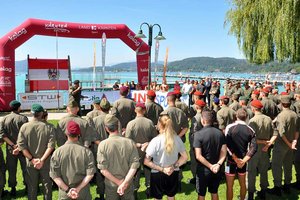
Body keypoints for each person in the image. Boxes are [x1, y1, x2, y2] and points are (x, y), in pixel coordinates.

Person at [144, 114, 188, 200]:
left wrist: (163, 169)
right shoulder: (177, 138)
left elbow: (146, 161)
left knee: (158, 198)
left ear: (160, 125)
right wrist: (172, 167)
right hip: (173, 172)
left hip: (157, 173)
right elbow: (185, 157)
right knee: (171, 197)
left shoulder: (155, 141)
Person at [17, 104, 56, 200]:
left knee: (32, 186)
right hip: (45, 162)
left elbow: (22, 146)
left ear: (32, 113)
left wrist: (32, 159)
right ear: (42, 113)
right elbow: (50, 146)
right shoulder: (49, 127)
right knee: (47, 186)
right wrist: (42, 160)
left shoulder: (24, 127)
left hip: (31, 163)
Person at [97, 114, 140, 199]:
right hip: (128, 184)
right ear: (118, 126)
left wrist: (119, 182)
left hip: (111, 185)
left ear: (106, 128)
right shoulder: (130, 143)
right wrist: (124, 183)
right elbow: (134, 166)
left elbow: (103, 170)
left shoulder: (102, 145)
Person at [50, 121, 96, 200]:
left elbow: (55, 176)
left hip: (64, 193)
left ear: (66, 134)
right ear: (79, 134)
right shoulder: (86, 152)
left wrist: (68, 190)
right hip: (83, 192)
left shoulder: (58, 152)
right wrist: (78, 189)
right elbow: (90, 174)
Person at [125, 102, 157, 198]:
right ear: (144, 111)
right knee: (148, 170)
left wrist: (137, 144)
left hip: (135, 152)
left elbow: (128, 141)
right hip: (148, 151)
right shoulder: (150, 122)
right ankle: (149, 187)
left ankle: (135, 190)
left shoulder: (130, 124)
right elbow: (155, 138)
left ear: (135, 110)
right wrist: (147, 143)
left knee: (135, 171)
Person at [247, 100, 277, 200]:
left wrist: (265, 143)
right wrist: (268, 143)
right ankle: (263, 192)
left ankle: (251, 193)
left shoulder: (252, 121)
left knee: (251, 172)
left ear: (253, 108)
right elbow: (275, 134)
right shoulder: (268, 119)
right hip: (265, 150)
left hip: (254, 150)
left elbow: (252, 138)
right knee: (264, 171)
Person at [194, 111, 227, 200]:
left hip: (203, 170)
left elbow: (198, 156)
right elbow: (224, 152)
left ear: (203, 120)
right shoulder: (220, 133)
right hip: (216, 169)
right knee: (214, 192)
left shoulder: (198, 134)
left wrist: (211, 166)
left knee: (201, 195)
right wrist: (218, 165)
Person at [225, 108, 257, 200]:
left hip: (231, 161)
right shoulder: (250, 130)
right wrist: (243, 161)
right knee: (243, 184)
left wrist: (235, 159)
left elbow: (227, 145)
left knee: (229, 186)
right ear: (246, 117)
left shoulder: (229, 127)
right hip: (243, 161)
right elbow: (254, 147)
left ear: (236, 116)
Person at [270, 95, 299, 196]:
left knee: (276, 165)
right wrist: (294, 141)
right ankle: (287, 184)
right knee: (288, 165)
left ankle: (277, 187)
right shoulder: (295, 114)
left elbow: (281, 133)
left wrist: (290, 144)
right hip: (291, 143)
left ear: (282, 104)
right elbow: (297, 130)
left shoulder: (281, 116)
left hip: (282, 144)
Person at [0, 100, 28, 196]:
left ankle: (12, 188)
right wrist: (19, 146)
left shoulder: (4, 119)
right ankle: (28, 187)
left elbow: (2, 134)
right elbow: (25, 134)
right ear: (18, 107)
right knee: (25, 168)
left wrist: (12, 145)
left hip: (10, 149)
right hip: (23, 148)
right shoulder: (23, 118)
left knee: (12, 169)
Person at [189, 100, 206, 184]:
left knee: (195, 161)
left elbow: (194, 131)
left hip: (197, 142)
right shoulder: (206, 115)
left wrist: (193, 144)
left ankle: (196, 177)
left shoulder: (195, 117)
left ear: (196, 107)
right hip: (204, 141)